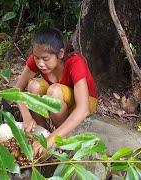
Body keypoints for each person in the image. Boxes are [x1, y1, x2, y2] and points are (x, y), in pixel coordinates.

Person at [15, 28, 98, 156]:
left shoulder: (75, 63)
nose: (40, 63)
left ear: (60, 53)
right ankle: (42, 132)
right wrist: (27, 117)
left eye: (45, 59)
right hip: (58, 96)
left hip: (85, 100)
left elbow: (83, 108)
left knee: (54, 92)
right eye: (37, 58)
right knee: (34, 86)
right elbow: (16, 90)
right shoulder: (36, 60)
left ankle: (59, 139)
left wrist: (51, 140)